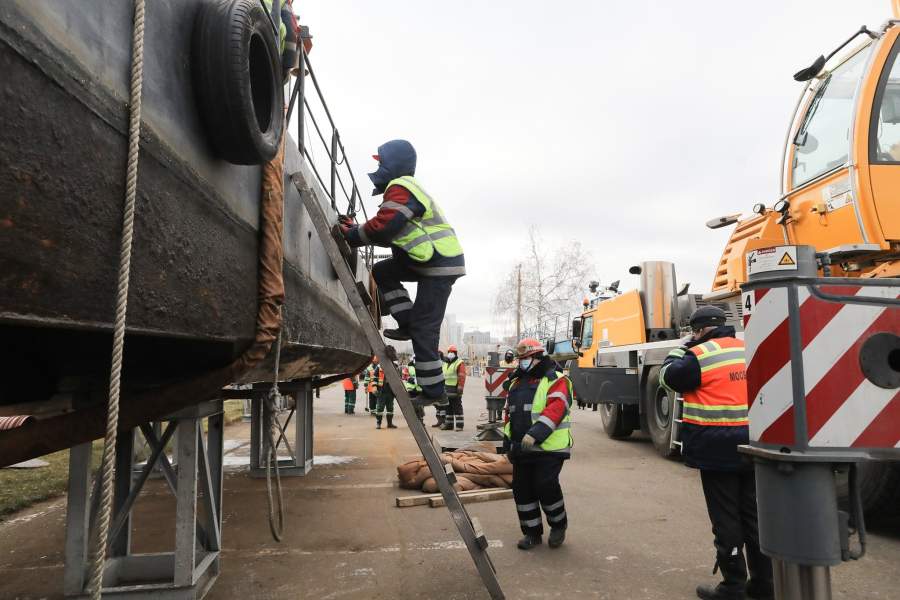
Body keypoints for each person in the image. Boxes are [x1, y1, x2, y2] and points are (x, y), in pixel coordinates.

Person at [339, 139, 464, 418]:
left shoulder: (402, 187)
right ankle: (406, 323)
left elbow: (385, 227)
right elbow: (390, 229)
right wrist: (359, 229)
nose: (378, 168)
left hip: (438, 265)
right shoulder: (402, 190)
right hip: (427, 260)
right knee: (383, 272)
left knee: (425, 330)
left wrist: (352, 234)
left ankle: (434, 392)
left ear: (393, 163)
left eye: (381, 162)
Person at [660, 306, 773, 600]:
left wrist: (678, 350)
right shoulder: (746, 348)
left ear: (697, 331)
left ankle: (733, 586)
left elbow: (668, 378)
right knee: (753, 518)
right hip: (752, 444)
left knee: (726, 520)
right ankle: (764, 585)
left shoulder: (698, 356)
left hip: (717, 449)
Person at [503, 338, 573, 551]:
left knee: (545, 485)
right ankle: (532, 533)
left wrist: (536, 433)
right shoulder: (516, 383)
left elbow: (557, 407)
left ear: (538, 357)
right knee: (522, 490)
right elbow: (510, 416)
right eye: (520, 358)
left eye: (526, 358)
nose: (522, 362)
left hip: (549, 448)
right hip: (521, 448)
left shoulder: (555, 379)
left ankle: (558, 526)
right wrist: (508, 443)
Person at [441, 345, 467, 431]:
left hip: (455, 389)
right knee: (448, 407)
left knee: (457, 407)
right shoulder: (445, 363)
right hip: (446, 389)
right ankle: (449, 424)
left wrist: (460, 387)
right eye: (449, 352)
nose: (451, 354)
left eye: (453, 352)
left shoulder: (459, 363)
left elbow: (462, 376)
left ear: (455, 354)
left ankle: (459, 425)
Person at [375, 346, 400, 430]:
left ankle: (390, 423)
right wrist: (374, 387)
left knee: (390, 408)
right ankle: (378, 423)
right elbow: (374, 378)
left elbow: (399, 379)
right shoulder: (379, 367)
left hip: (391, 391)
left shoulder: (396, 366)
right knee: (380, 408)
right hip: (381, 391)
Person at [406, 358, 425, 424]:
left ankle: (421, 420)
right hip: (411, 389)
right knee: (412, 406)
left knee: (421, 406)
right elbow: (405, 376)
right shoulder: (408, 367)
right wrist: (413, 380)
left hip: (420, 389)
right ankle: (413, 421)